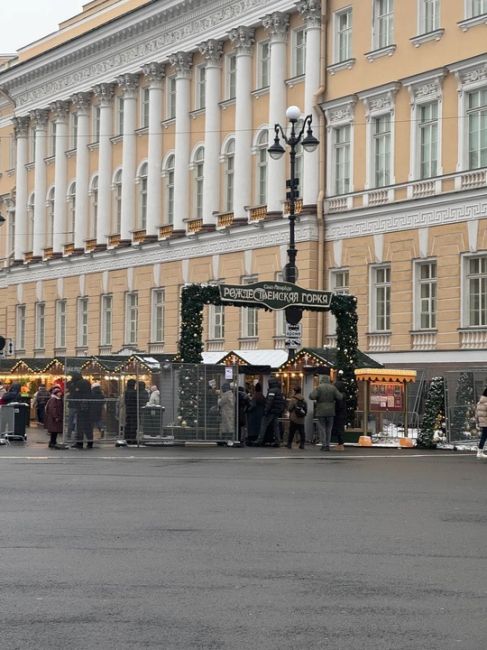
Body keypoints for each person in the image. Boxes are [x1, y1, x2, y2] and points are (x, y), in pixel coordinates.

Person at [309, 375, 343, 452]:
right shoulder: (333, 388)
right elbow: (340, 397)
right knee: (329, 429)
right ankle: (328, 444)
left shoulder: (319, 387)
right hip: (331, 411)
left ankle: (324, 445)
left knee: (322, 428)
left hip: (321, 411)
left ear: (322, 380)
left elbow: (311, 396)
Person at [254, 378, 286, 447]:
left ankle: (259, 440)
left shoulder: (272, 391)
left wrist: (266, 411)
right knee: (276, 426)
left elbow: (269, 402)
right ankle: (278, 441)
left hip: (270, 411)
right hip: (276, 412)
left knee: (263, 425)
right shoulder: (278, 390)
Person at [69, 371, 93, 449]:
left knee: (80, 426)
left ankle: (79, 443)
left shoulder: (78, 384)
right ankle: (90, 442)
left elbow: (74, 393)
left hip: (81, 406)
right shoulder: (86, 382)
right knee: (88, 426)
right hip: (88, 406)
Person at [332, 374, 347, 451]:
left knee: (338, 429)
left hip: (338, 413)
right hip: (342, 413)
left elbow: (339, 405)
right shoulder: (343, 394)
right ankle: (340, 444)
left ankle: (340, 444)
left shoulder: (338, 395)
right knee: (340, 428)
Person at [124, 379, 138, 444]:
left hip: (128, 409)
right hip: (134, 410)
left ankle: (127, 438)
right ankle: (133, 438)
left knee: (128, 424)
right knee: (133, 425)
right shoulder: (135, 392)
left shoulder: (126, 392)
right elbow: (136, 401)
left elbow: (126, 401)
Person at [475, 387, 487, 458]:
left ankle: (480, 452)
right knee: (484, 437)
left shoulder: (479, 403)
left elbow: (476, 414)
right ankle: (479, 452)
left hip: (482, 422)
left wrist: (477, 422)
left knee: (484, 437)